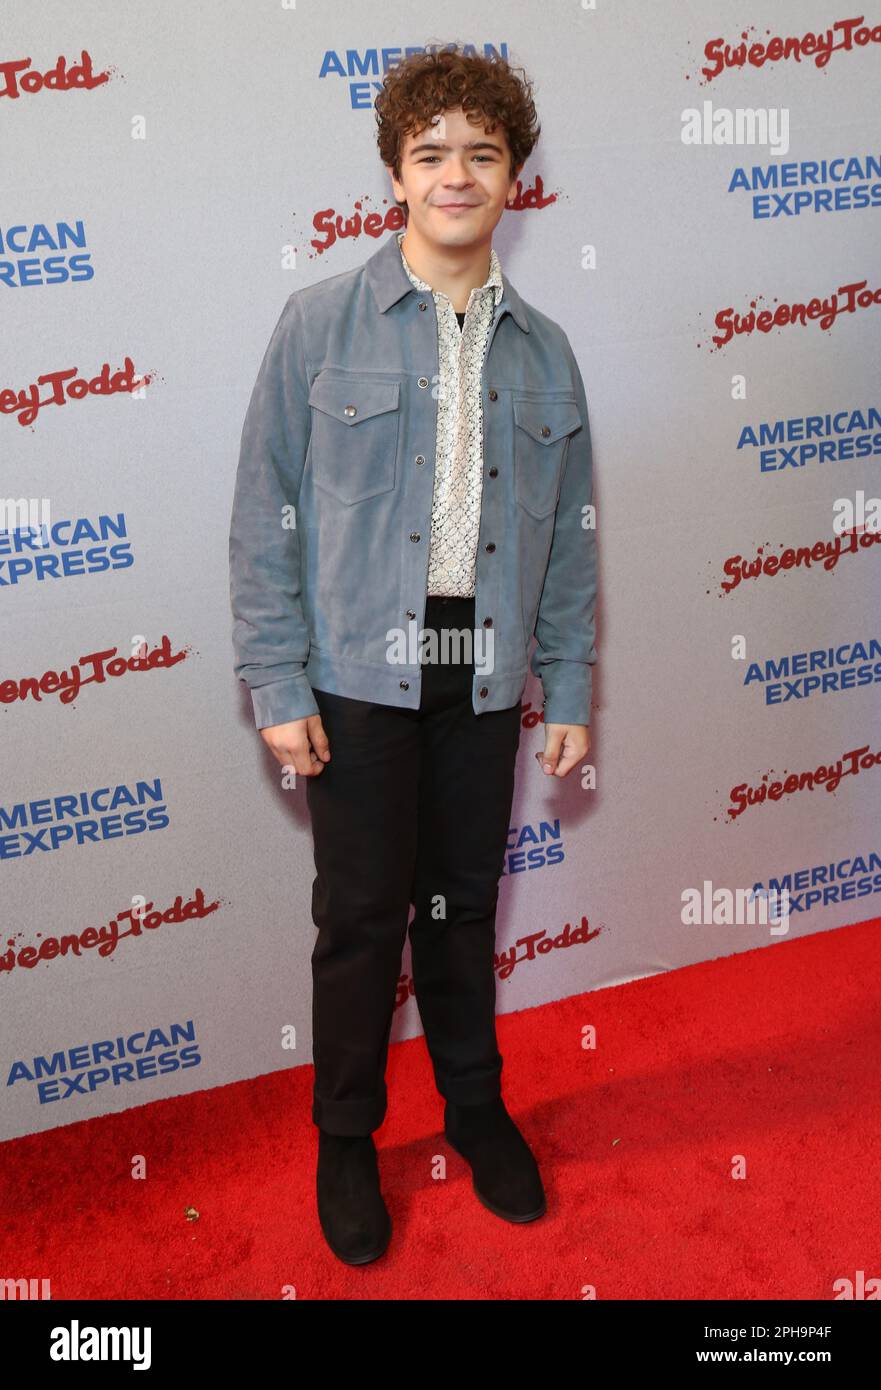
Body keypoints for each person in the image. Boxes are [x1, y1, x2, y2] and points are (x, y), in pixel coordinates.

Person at [228, 45, 598, 1265]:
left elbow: (570, 537)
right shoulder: (316, 324)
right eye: (430, 153)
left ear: (512, 179)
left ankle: (473, 1109)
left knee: (460, 906)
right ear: (394, 173)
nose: (456, 175)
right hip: (354, 670)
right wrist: (276, 681)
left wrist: (569, 682)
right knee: (358, 916)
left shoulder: (545, 352)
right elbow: (265, 514)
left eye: (481, 154)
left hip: (479, 668)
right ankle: (346, 1136)